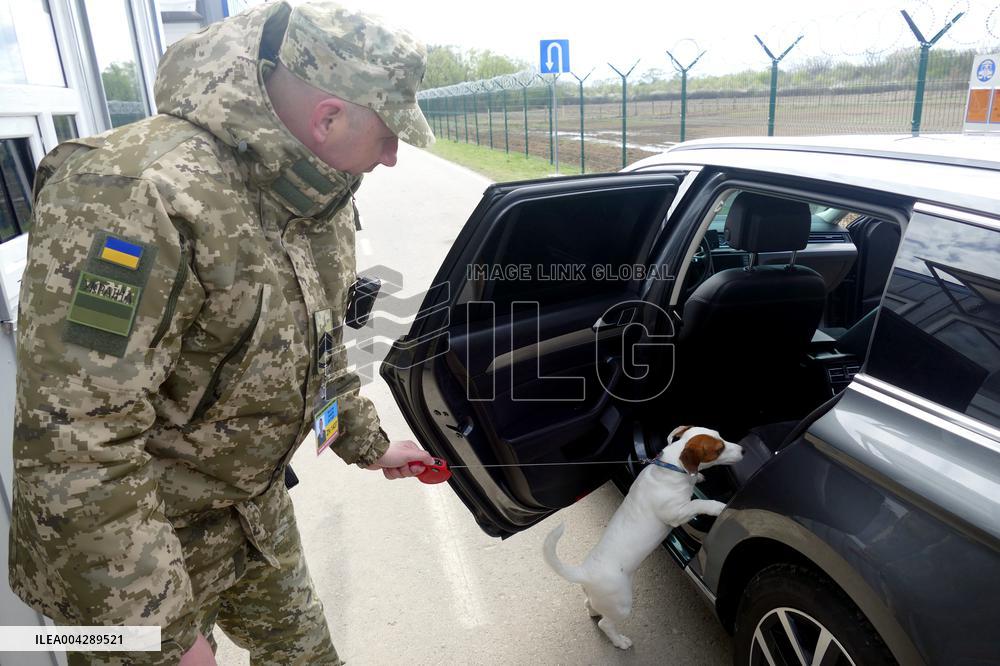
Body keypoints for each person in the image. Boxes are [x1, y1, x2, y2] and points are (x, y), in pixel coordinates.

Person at [9, 2, 435, 664]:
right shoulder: (134, 190)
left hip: (252, 515)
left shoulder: (313, 197)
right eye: (387, 135)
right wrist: (165, 639)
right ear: (327, 118)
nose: (392, 157)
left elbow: (316, 354)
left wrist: (368, 443)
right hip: (139, 557)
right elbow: (77, 439)